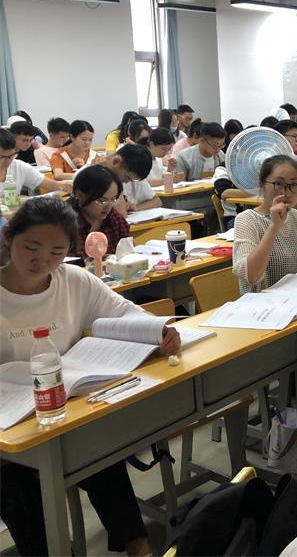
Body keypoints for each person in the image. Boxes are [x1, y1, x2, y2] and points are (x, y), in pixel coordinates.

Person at [0, 197, 178, 557]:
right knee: (13, 481)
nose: (42, 260)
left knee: (98, 445)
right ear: (9, 239)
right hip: (9, 423)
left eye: (56, 251)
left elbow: (125, 313)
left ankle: (138, 547)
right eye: (31, 247)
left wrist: (157, 332)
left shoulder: (73, 280)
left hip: (64, 409)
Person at [231, 154, 297, 294]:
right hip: (263, 304)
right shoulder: (247, 219)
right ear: (262, 185)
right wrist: (274, 226)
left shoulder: (295, 216)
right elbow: (251, 276)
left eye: (294, 185)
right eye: (279, 184)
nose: (287, 192)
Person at [69, 165, 131, 260]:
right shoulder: (66, 224)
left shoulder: (115, 219)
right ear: (80, 195)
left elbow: (129, 255)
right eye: (102, 201)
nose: (108, 207)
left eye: (113, 199)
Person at [0, 128, 72, 195]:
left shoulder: (18, 167)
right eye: (2, 157)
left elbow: (51, 184)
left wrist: (66, 184)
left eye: (11, 155)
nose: (7, 161)